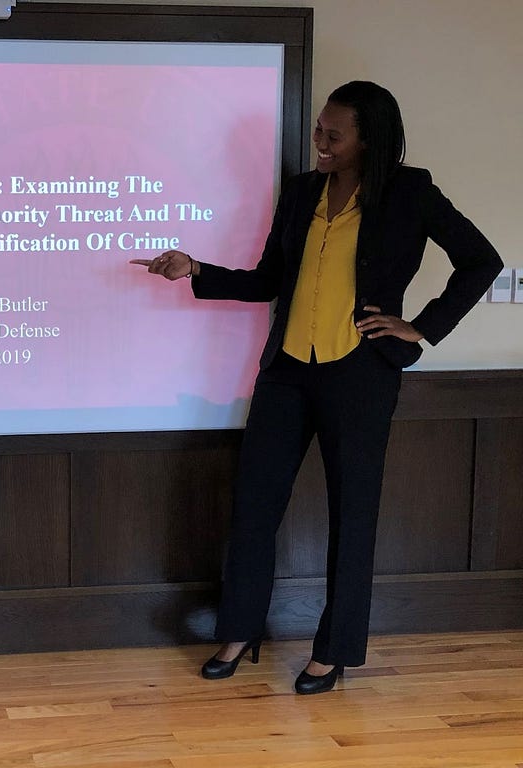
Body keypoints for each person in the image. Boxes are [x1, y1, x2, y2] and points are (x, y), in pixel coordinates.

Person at [130, 81, 502, 694]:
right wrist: (196, 269)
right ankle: (241, 630)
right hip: (288, 372)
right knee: (254, 507)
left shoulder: (409, 191)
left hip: (361, 372)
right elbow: (270, 279)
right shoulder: (303, 192)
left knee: (353, 516)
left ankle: (333, 651)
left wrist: (421, 327)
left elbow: (481, 259)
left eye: (335, 135)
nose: (321, 143)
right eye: (318, 132)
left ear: (368, 138)